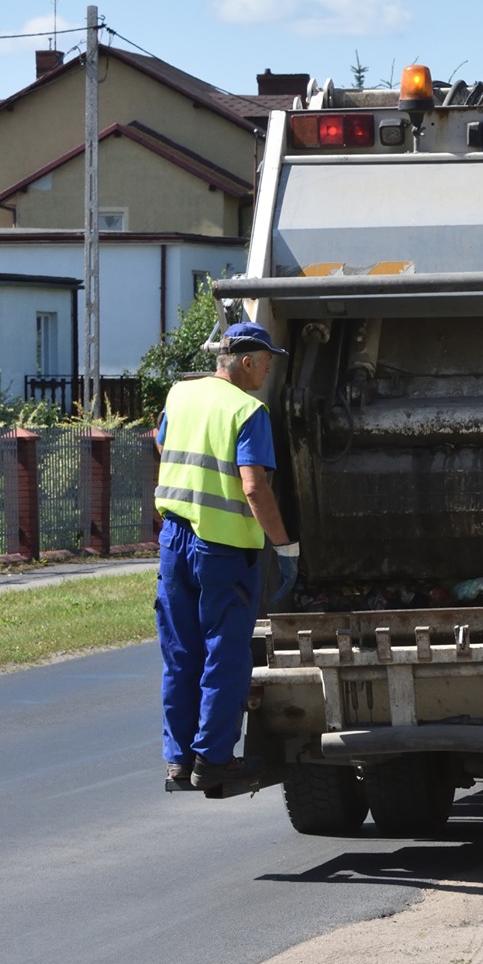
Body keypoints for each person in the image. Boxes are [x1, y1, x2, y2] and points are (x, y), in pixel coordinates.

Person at [154, 321, 297, 792]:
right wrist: (285, 546)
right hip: (224, 549)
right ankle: (213, 759)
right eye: (268, 361)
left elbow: (163, 443)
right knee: (225, 656)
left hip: (175, 540)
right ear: (248, 362)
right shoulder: (247, 410)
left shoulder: (181, 394)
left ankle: (178, 762)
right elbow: (254, 486)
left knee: (181, 654)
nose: (270, 368)